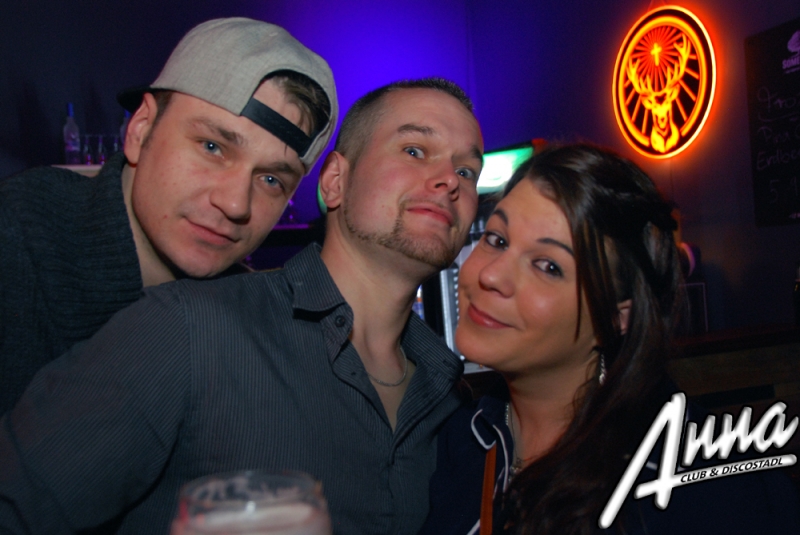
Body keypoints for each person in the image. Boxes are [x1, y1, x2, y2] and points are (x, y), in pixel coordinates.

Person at [0, 77, 484, 534]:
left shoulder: (449, 396)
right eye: (414, 151)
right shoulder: (186, 330)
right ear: (335, 180)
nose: (449, 180)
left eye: (466, 170)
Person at [419, 143, 800, 534]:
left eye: (548, 266)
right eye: (497, 240)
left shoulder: (701, 487)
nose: (491, 275)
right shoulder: (460, 440)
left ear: (617, 317)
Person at [0, 17, 337, 415]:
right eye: (212, 147)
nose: (235, 204)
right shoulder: (16, 238)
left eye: (270, 180)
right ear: (140, 130)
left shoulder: (242, 313)